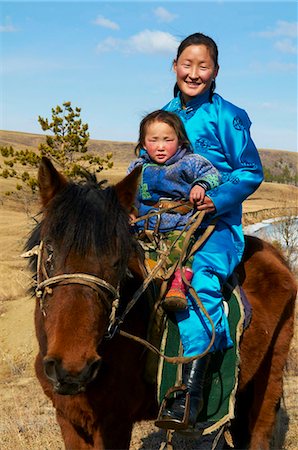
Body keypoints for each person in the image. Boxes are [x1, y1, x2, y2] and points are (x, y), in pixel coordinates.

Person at [151, 32, 264, 431]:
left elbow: (251, 170)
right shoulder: (163, 114)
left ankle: (191, 394)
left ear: (215, 71)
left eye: (203, 66)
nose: (194, 73)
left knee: (199, 280)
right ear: (174, 65)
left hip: (215, 222)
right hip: (165, 221)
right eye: (187, 63)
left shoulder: (228, 115)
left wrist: (217, 198)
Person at [128, 109, 221, 311]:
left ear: (179, 141)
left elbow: (213, 175)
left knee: (177, 253)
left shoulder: (190, 161)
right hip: (144, 226)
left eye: (167, 140)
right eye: (153, 140)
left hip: (178, 225)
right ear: (144, 144)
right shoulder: (138, 167)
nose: (160, 147)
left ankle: (178, 284)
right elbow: (131, 193)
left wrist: (200, 185)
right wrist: (130, 210)